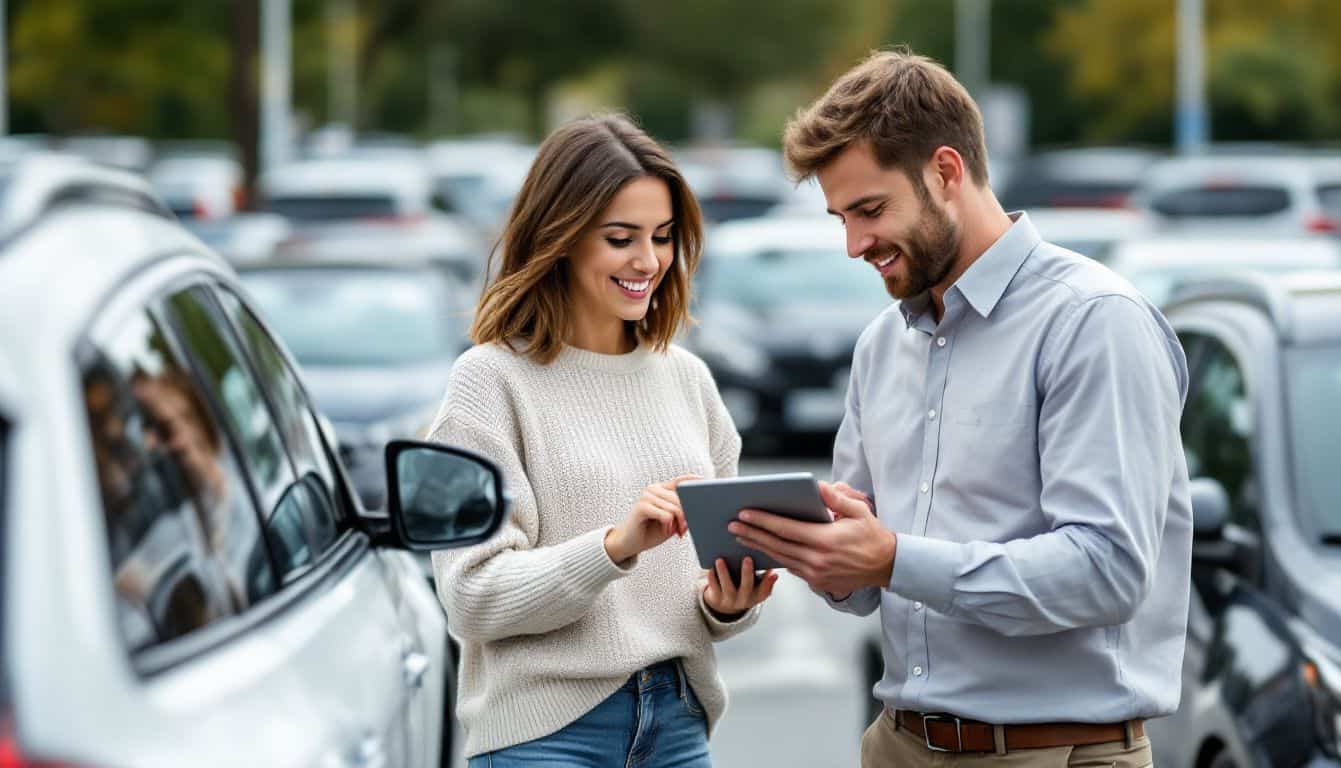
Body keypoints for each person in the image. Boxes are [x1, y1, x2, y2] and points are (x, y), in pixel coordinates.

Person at [730, 49, 1193, 767]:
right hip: (897, 743)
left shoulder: (1093, 322)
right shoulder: (883, 345)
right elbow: (866, 581)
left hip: (1055, 750)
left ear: (946, 172)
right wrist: (820, 556)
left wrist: (892, 559)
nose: (853, 244)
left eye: (870, 210)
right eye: (840, 217)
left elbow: (1107, 570)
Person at [428, 113, 777, 768]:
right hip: (543, 737)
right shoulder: (489, 381)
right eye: (621, 238)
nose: (648, 262)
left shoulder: (688, 379)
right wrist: (615, 547)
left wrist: (726, 604)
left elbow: (711, 588)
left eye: (664, 237)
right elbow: (470, 597)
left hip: (677, 724)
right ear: (560, 237)